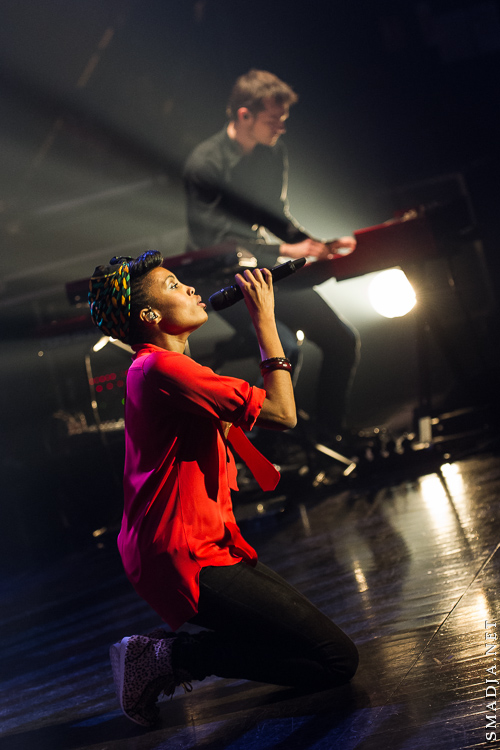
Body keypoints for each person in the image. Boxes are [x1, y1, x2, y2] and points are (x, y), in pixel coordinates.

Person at [88, 250, 358, 727]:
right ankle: (169, 657)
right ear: (150, 316)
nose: (191, 289)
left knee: (317, 654)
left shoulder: (167, 368)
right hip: (182, 553)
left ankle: (173, 655)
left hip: (202, 545)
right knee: (335, 661)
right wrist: (265, 320)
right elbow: (282, 413)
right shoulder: (160, 370)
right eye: (174, 285)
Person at [183, 69, 360, 440]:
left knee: (341, 340)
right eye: (272, 120)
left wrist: (317, 245)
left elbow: (273, 214)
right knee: (287, 347)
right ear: (243, 115)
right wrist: (282, 248)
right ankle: (269, 450)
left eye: (282, 119)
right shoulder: (205, 164)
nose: (280, 128)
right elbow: (210, 237)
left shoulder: (272, 152)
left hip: (258, 268)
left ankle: (330, 438)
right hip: (218, 277)